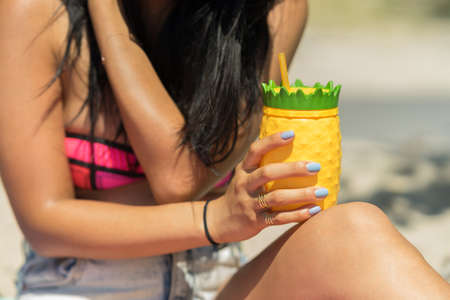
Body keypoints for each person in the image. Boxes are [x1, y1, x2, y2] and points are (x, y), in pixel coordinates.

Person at [0, 0, 449, 299]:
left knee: (356, 228)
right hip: (82, 288)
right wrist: (214, 219)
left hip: (214, 287)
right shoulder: (34, 13)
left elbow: (181, 174)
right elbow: (45, 220)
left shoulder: (272, 10)